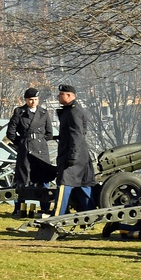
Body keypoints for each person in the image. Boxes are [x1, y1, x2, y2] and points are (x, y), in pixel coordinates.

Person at [6, 87, 57, 218]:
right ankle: (19, 208)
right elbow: (11, 133)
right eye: (30, 100)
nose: (33, 102)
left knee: (43, 180)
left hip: (41, 151)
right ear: (26, 100)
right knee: (22, 180)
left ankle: (45, 208)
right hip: (25, 150)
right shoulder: (19, 112)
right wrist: (23, 143)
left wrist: (38, 140)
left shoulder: (44, 113)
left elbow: (49, 133)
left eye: (35, 99)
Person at [54, 84, 96, 215]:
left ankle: (57, 216)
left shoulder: (74, 111)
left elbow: (77, 135)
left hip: (73, 156)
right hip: (78, 155)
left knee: (64, 184)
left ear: (69, 95)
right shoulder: (71, 110)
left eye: (61, 94)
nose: (59, 96)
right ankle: (91, 214)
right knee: (83, 185)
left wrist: (72, 156)